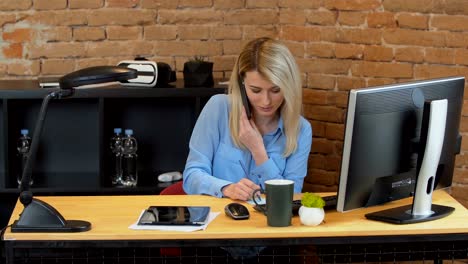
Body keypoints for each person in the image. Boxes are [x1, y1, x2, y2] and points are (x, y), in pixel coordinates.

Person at [183, 37, 312, 201]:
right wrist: (227, 188)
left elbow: (292, 197)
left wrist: (259, 152)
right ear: (242, 81)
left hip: (268, 224)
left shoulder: (301, 129)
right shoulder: (218, 108)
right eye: (256, 90)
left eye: (275, 90)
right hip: (219, 220)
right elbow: (191, 176)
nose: (266, 101)